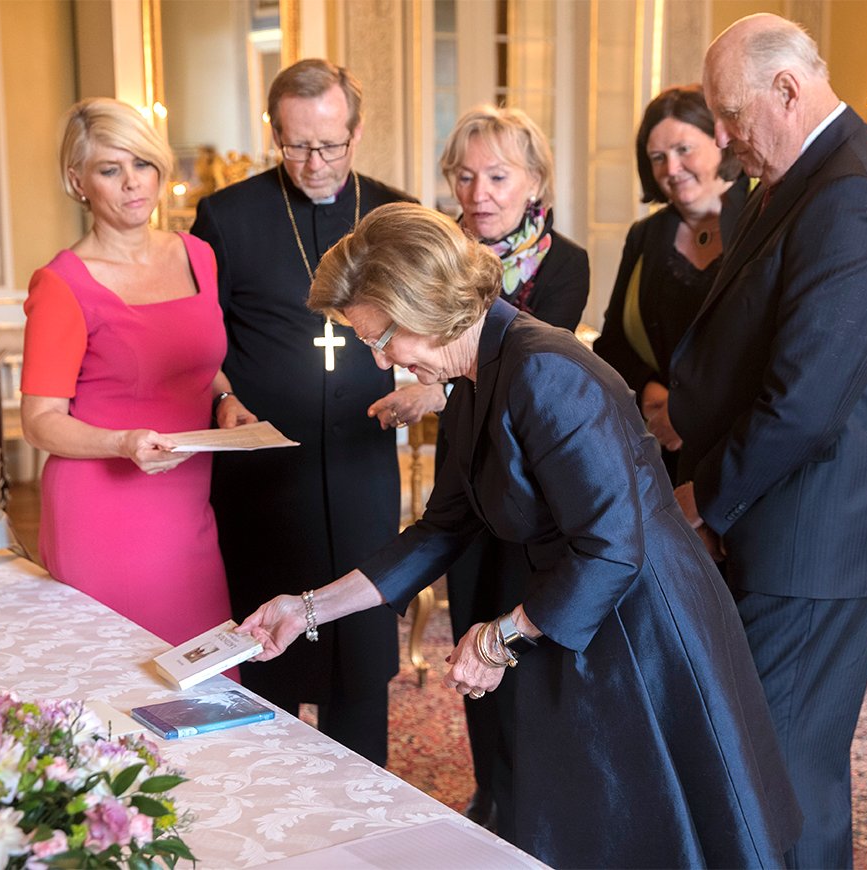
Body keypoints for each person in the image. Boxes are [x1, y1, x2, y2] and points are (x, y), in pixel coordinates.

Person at [238, 202, 802, 868]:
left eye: (380, 336)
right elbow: (443, 528)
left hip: (644, 624)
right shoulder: (474, 376)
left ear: (425, 304)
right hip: (574, 612)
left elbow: (613, 549)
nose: (381, 357)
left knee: (658, 832)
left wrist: (503, 636)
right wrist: (307, 609)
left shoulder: (544, 369)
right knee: (593, 824)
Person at [669, 14, 867, 868]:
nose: (723, 137)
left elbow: (805, 405)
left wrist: (704, 498)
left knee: (783, 779)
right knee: (765, 765)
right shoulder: (802, 175)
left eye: (730, 113)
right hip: (781, 523)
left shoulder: (855, 194)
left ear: (786, 89)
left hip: (816, 537)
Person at [189, 59, 414, 766]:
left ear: (357, 131)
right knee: (266, 659)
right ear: (273, 132)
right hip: (263, 477)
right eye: (296, 145)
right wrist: (223, 394)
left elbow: (436, 327)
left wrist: (426, 387)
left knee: (360, 658)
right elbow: (199, 338)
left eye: (330, 145)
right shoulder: (226, 217)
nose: (314, 163)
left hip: (361, 468)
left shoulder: (394, 215)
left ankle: (365, 805)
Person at [371, 104, 589, 831]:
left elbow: (524, 364)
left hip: (535, 485)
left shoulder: (566, 263)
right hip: (466, 473)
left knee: (524, 637)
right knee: (470, 628)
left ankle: (536, 800)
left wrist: (431, 391)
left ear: (535, 182)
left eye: (497, 176)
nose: (479, 193)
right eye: (464, 177)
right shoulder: (438, 258)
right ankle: (490, 791)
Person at [20, 97, 236, 647]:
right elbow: (39, 420)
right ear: (78, 181)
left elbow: (196, 364)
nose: (133, 182)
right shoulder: (62, 284)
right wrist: (122, 443)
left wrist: (226, 400)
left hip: (187, 502)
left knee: (203, 669)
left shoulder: (198, 256)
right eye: (110, 170)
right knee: (117, 676)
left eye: (142, 163)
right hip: (103, 509)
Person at [594, 85, 748, 482]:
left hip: (742, 448)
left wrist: (690, 413)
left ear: (720, 140)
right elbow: (612, 343)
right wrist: (650, 393)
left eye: (684, 149)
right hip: (662, 448)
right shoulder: (645, 236)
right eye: (658, 158)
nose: (671, 169)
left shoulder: (760, 217)